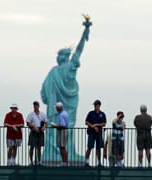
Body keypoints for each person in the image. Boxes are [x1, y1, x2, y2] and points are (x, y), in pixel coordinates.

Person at [41, 16, 91, 160]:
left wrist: (85, 32)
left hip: (62, 106)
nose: (57, 57)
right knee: (66, 130)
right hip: (68, 105)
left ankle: (62, 154)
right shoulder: (57, 70)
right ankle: (59, 154)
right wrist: (86, 30)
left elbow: (79, 50)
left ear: (63, 57)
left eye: (58, 55)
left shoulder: (57, 70)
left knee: (59, 130)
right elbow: (79, 51)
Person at [84, 100, 106, 167]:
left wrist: (96, 125)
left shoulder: (102, 114)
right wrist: (92, 126)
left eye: (96, 105)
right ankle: (86, 162)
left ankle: (99, 162)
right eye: (94, 105)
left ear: (99, 105)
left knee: (98, 148)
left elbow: (104, 123)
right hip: (91, 133)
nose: (95, 106)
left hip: (99, 133)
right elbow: (86, 122)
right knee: (89, 147)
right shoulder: (91, 113)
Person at [26, 101, 47, 166]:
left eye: (36, 105)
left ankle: (39, 161)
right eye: (34, 105)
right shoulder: (31, 114)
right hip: (33, 131)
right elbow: (28, 123)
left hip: (40, 131)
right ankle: (31, 161)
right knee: (32, 146)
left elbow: (46, 122)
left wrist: (44, 127)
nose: (35, 106)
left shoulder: (42, 114)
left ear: (38, 106)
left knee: (39, 147)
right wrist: (34, 126)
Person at [51, 102, 69, 166]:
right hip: (64, 131)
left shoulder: (61, 115)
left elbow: (63, 125)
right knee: (63, 147)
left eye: (56, 107)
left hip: (62, 131)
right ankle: (65, 162)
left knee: (62, 147)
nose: (56, 109)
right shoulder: (65, 113)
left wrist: (55, 126)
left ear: (59, 108)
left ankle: (64, 162)